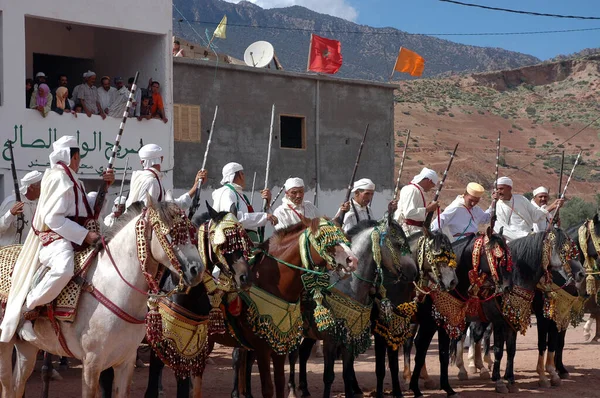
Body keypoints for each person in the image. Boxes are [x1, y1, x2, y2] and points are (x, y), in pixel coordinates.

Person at [0, 136, 115, 343]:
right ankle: (29, 306)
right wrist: (85, 235)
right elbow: (53, 218)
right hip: (56, 239)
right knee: (64, 269)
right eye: (79, 158)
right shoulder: (59, 178)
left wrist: (104, 187)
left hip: (73, 237)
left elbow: (85, 209)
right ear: (74, 156)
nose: (79, 162)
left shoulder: (73, 179)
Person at [212, 162, 277, 243]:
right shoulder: (227, 192)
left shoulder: (238, 193)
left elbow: (249, 218)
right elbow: (233, 218)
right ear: (238, 175)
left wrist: (267, 203)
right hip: (234, 244)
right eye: (242, 174)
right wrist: (264, 217)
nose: (244, 177)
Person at [126, 144, 205, 210]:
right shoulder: (151, 181)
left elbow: (172, 206)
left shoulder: (140, 178)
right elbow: (149, 213)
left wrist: (195, 186)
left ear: (142, 162)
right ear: (161, 159)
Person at [492, 177, 562, 242]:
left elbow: (535, 216)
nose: (498, 192)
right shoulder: (497, 206)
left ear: (509, 188)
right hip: (512, 242)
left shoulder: (521, 199)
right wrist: (525, 235)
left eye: (501, 189)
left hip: (529, 238)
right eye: (497, 189)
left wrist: (553, 206)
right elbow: (502, 230)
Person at [0, 171, 43, 246]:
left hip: (28, 251)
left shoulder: (39, 203)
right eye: (41, 187)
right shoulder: (11, 202)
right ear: (31, 188)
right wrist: (10, 213)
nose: (43, 190)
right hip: (9, 252)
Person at [395, 167, 439, 236]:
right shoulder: (413, 190)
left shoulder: (416, 190)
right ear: (429, 181)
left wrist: (429, 208)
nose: (431, 188)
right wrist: (428, 209)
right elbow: (409, 213)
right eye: (432, 185)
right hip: (409, 232)